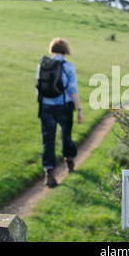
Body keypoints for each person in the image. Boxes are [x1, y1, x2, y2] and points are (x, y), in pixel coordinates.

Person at [36, 37, 83, 187]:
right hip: (64, 106)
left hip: (45, 107)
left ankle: (49, 173)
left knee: (48, 141)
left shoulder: (43, 65)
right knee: (66, 135)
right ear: (66, 50)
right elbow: (73, 90)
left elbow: (39, 89)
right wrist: (79, 109)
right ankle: (69, 161)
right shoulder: (68, 66)